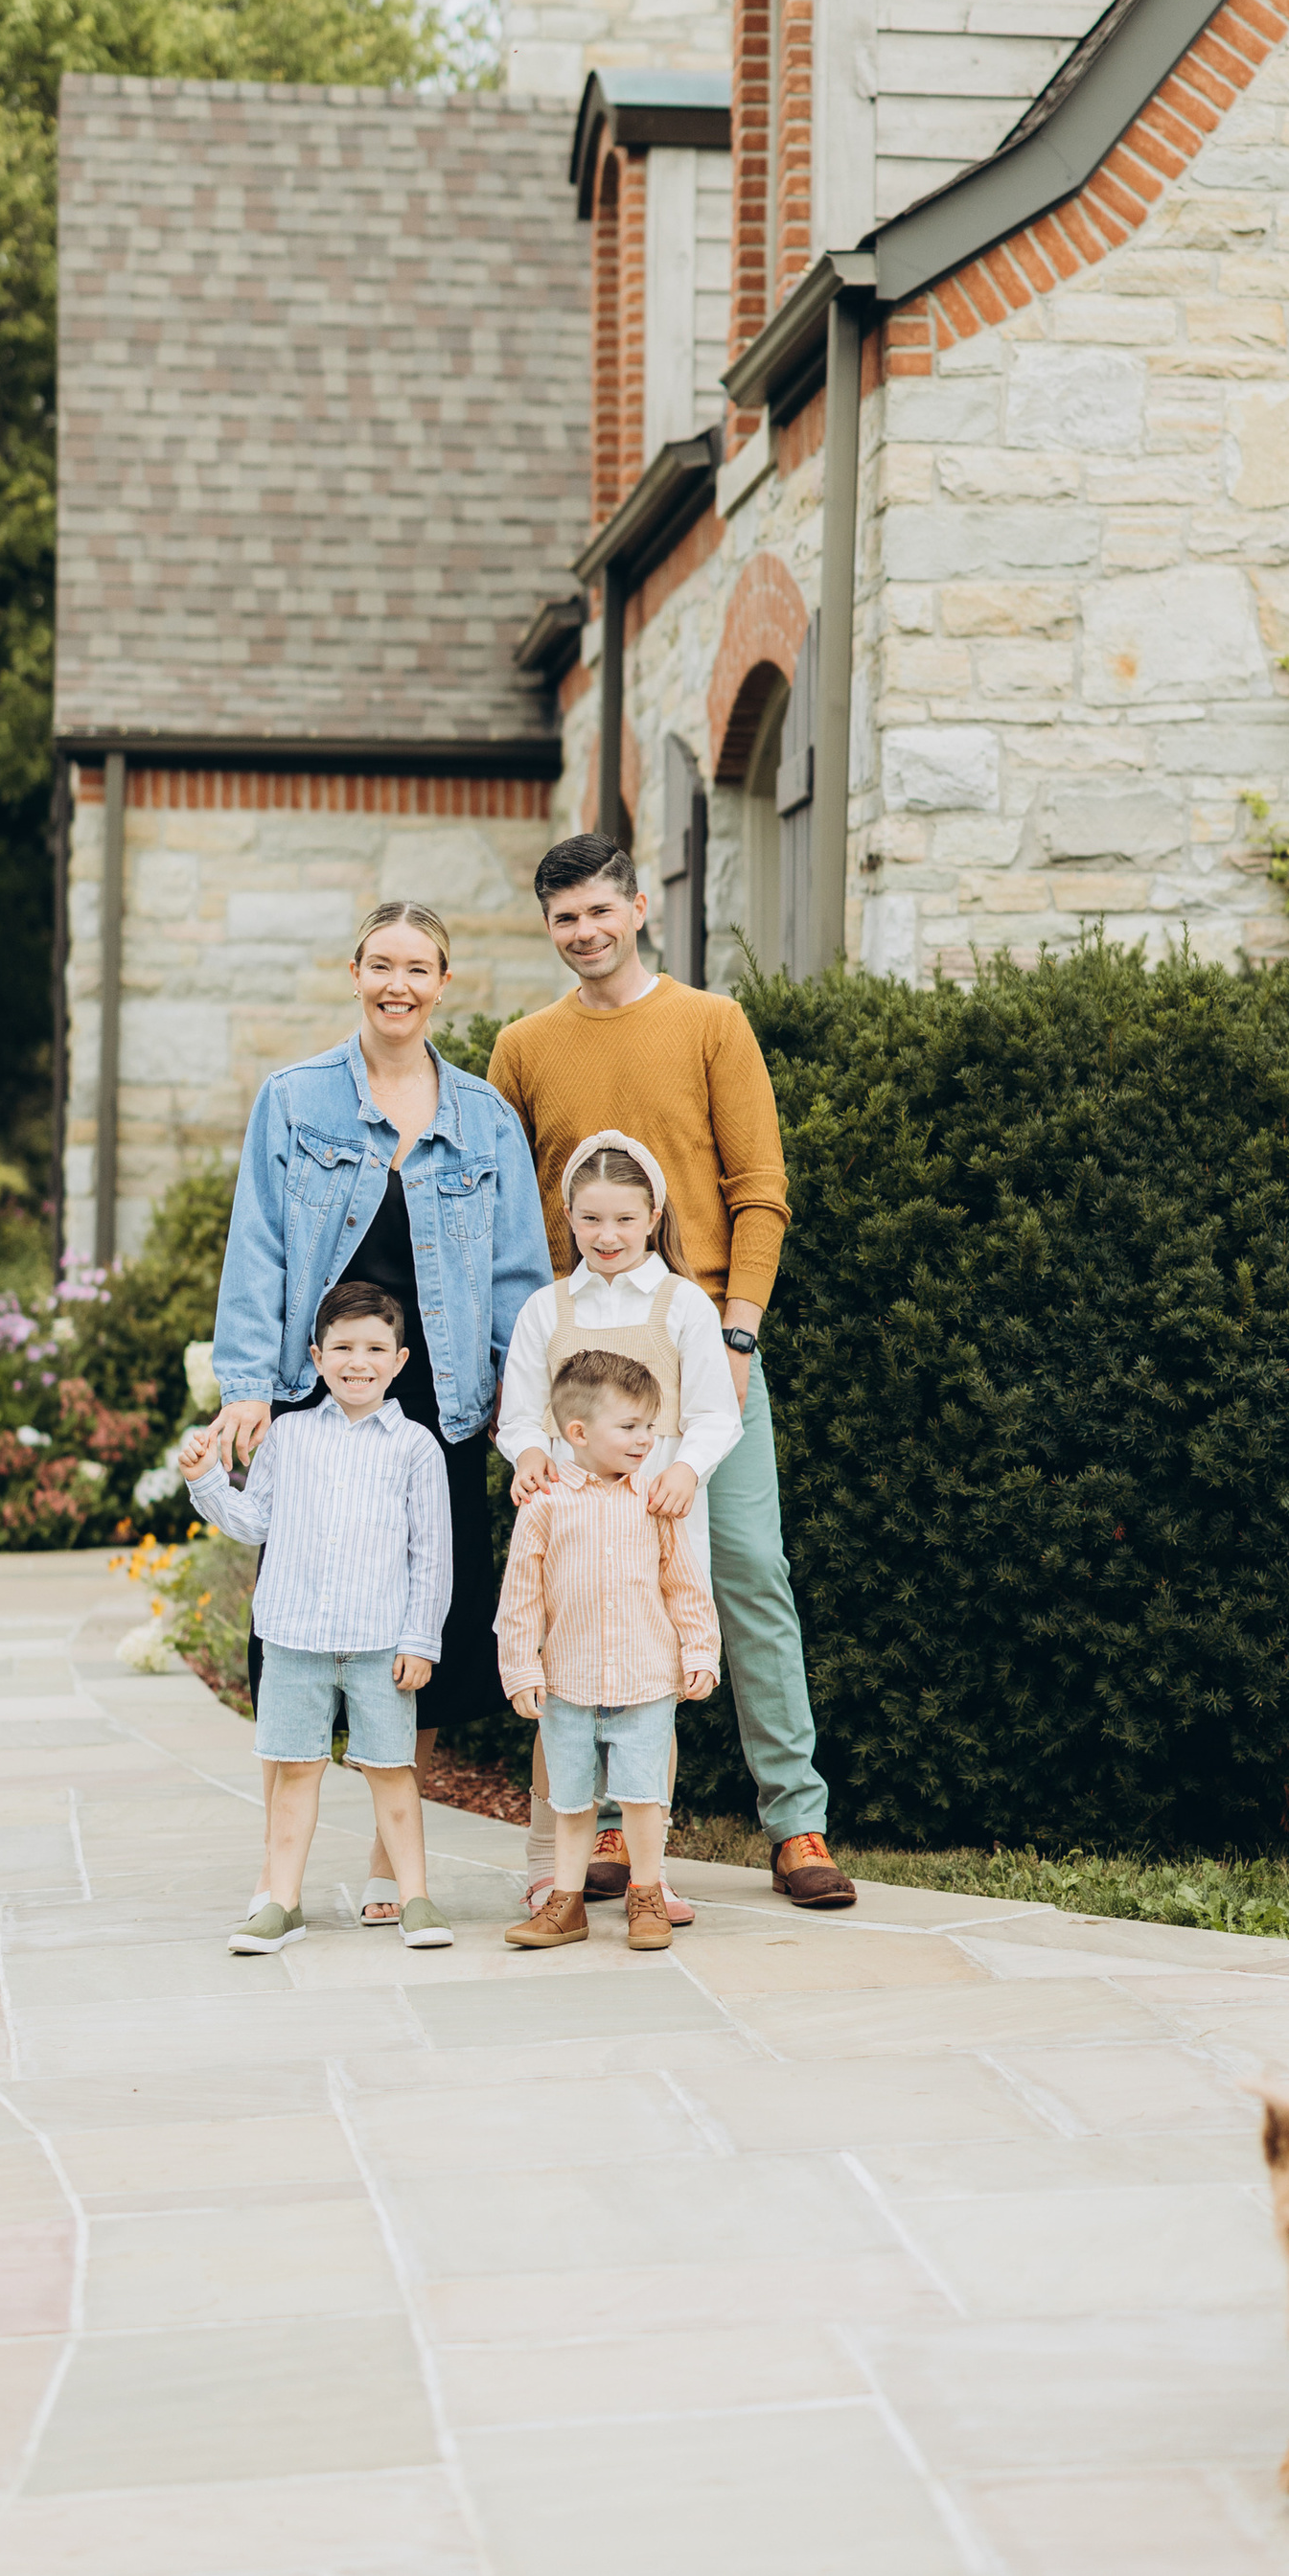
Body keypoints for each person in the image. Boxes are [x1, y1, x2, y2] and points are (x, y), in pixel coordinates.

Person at [486, 834, 856, 1909]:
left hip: (701, 1351)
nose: (584, 933)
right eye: (564, 919)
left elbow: (760, 1189)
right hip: (580, 1369)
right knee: (579, 1588)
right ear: (550, 927)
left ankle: (797, 1823)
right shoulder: (522, 1047)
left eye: (601, 911)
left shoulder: (710, 1024)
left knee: (747, 1574)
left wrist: (738, 1340)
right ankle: (596, 1830)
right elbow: (520, 1225)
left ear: (639, 906)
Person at [210, 900, 550, 1920]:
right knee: (304, 1625)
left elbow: (517, 1276)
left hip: (440, 1397)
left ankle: (382, 1859)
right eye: (380, 965)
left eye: (419, 968)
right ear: (354, 973)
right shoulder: (295, 1099)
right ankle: (281, 1874)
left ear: (445, 984)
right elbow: (259, 1247)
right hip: (317, 1389)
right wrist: (248, 1390)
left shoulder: (484, 1116)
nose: (398, 985)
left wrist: (514, 1409)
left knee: (421, 1620)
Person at [495, 1129, 741, 1903]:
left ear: (653, 1215)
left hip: (654, 1507)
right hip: (566, 1518)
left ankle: (648, 1876)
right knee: (561, 1685)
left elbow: (714, 1412)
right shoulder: (549, 1307)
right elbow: (521, 1413)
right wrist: (529, 1455)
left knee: (648, 1692)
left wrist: (684, 1469)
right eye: (591, 1219)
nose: (607, 1237)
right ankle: (547, 1864)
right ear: (567, 1216)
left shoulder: (682, 1304)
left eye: (625, 1221)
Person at [182, 1279, 453, 1953]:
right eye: (342, 1347)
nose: (357, 1361)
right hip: (295, 1638)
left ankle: (415, 1895)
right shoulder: (291, 1436)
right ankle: (281, 1902)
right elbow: (253, 1523)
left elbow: (432, 1554)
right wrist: (206, 1479)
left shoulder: (415, 1447)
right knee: (294, 1771)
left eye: (374, 1347)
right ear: (315, 1355)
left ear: (400, 1359)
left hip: (379, 1643)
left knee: (392, 1771)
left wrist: (421, 1639)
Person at [496, 1348, 721, 1953]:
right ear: (577, 1432)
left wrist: (701, 1652)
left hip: (646, 1680)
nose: (647, 1440)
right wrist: (521, 1667)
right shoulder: (542, 1506)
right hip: (567, 1683)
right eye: (630, 1427)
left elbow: (684, 1583)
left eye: (650, 1426)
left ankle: (645, 1893)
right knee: (571, 1802)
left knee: (645, 1797)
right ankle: (564, 1904)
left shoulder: (654, 1502)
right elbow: (521, 1597)